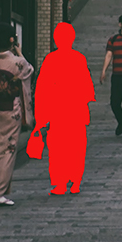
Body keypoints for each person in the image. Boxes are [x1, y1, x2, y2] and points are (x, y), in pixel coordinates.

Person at [32, 21, 96, 195]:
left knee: (58, 149)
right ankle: (75, 181)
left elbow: (42, 89)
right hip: (75, 111)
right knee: (76, 147)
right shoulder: (79, 58)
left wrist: (41, 117)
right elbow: (87, 88)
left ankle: (60, 183)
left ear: (56, 39)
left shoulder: (51, 59)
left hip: (58, 112)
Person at [0, 23, 34, 206]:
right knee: (7, 151)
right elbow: (29, 70)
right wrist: (18, 51)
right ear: (12, 40)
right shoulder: (16, 62)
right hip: (10, 111)